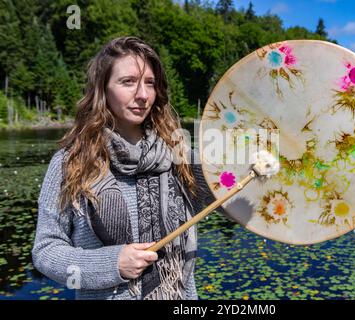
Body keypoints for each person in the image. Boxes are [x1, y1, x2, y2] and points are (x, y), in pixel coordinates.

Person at [32, 36, 218, 300]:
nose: (142, 95)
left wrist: (260, 160)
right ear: (103, 89)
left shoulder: (181, 158)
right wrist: (112, 264)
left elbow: (234, 192)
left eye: (150, 83)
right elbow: (46, 250)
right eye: (128, 82)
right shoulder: (69, 163)